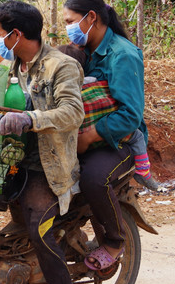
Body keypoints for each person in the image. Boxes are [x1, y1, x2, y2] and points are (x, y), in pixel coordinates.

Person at [0, 0, 86, 284]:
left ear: (16, 34)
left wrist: (32, 120)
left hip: (48, 165)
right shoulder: (8, 66)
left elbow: (73, 112)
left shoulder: (62, 66)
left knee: (38, 230)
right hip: (11, 160)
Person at [61, 0, 147, 271]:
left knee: (93, 179)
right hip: (81, 134)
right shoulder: (82, 51)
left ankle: (114, 239)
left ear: (91, 18)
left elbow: (131, 115)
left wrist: (90, 136)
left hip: (117, 141)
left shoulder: (123, 55)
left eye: (70, 21)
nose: (67, 28)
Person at [57, 44, 161, 192]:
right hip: (105, 135)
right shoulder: (93, 81)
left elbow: (131, 114)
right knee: (136, 135)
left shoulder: (56, 91)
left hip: (78, 141)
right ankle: (143, 171)